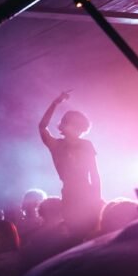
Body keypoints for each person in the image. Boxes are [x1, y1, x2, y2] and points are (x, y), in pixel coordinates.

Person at [39, 91, 102, 241]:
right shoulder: (57, 145)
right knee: (75, 233)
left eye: (76, 125)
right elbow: (42, 127)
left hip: (85, 192)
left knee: (90, 232)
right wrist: (55, 103)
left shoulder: (86, 145)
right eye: (68, 122)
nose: (72, 127)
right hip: (70, 193)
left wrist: (97, 199)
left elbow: (95, 174)